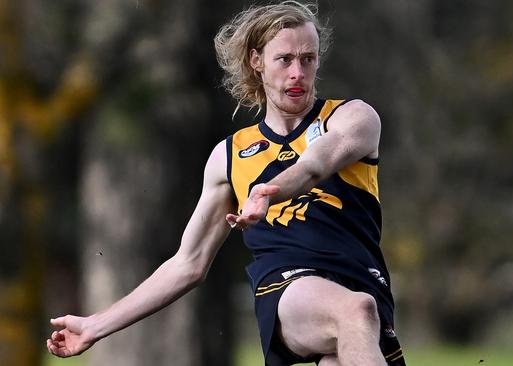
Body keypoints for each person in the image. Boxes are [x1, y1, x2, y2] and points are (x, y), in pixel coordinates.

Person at [46, 1, 405, 365]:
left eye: (308, 59)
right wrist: (95, 325)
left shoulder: (353, 118)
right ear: (256, 61)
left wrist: (269, 191)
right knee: (355, 311)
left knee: (344, 345)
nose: (298, 72)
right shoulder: (230, 155)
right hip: (289, 286)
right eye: (284, 60)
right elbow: (188, 263)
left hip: (362, 282)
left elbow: (316, 163)